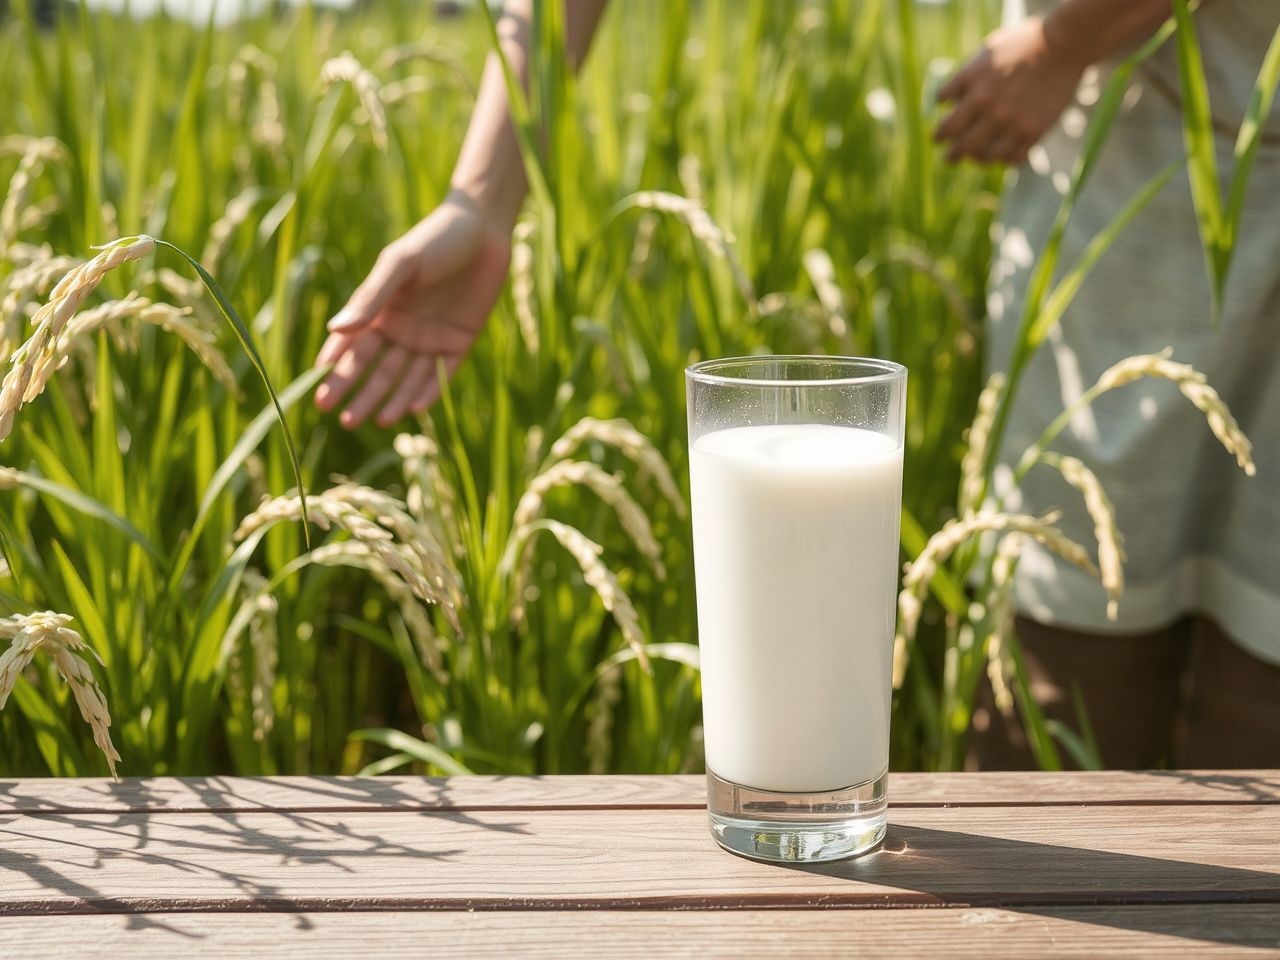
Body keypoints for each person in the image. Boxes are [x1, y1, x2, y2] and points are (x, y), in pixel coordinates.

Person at [314, 0, 1280, 768]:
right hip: (1126, 143)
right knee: (1076, 617)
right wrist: (482, 199)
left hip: (1141, 96)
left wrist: (1064, 36)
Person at [935, 0, 1280, 769]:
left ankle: (1145, 879)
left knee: (1086, 592)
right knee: (1091, 579)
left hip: (1137, 126)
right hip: (1147, 129)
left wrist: (1060, 45)